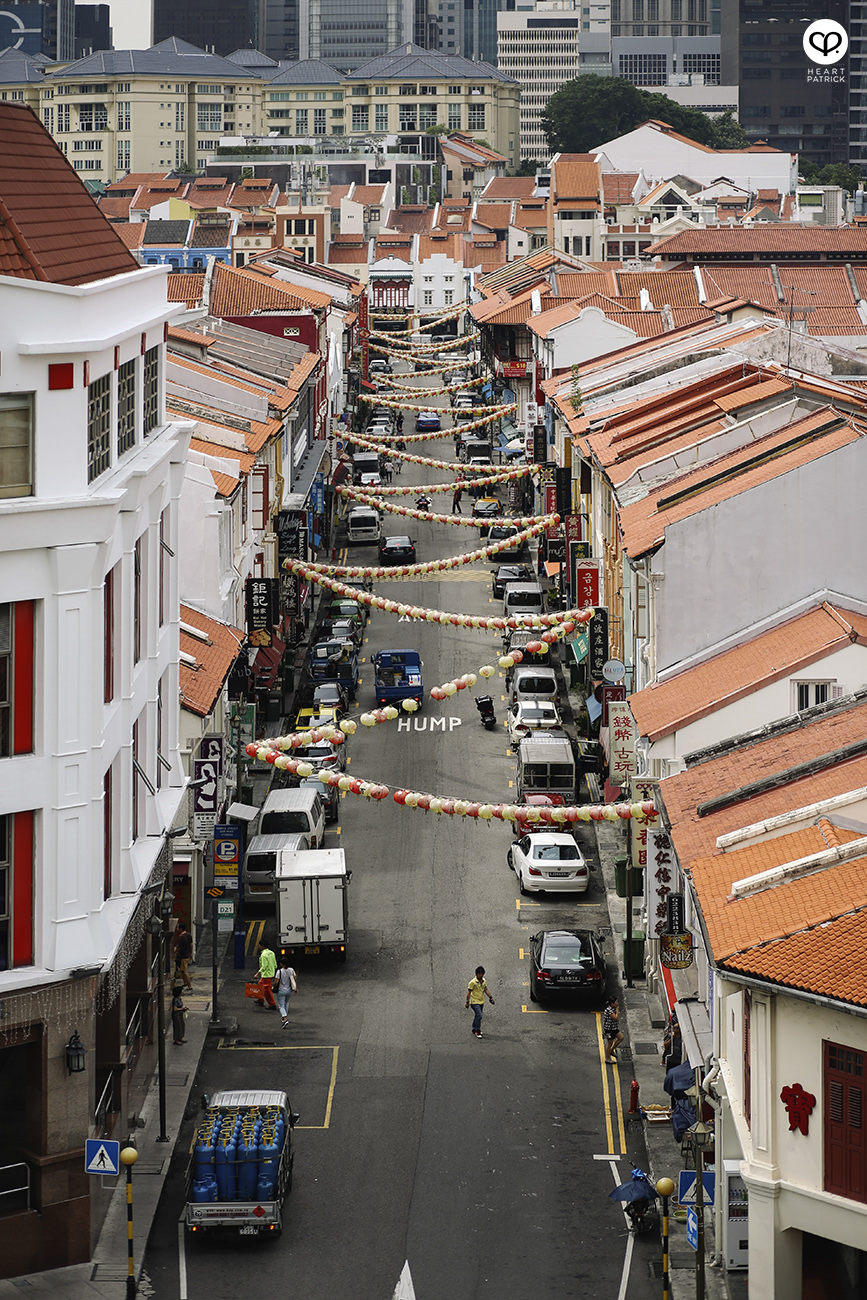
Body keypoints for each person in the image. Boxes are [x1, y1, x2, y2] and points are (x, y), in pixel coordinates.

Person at [465, 966, 495, 1038]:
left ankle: (474, 1028)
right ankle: (477, 1030)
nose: (481, 975)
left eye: (482, 974)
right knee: (479, 1015)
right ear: (477, 974)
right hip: (474, 1002)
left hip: (481, 1001)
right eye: (480, 974)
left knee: (477, 1015)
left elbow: (485, 989)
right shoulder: (472, 982)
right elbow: (469, 992)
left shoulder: (484, 981)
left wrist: (490, 997)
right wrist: (467, 1002)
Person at [274, 958, 297, 1028]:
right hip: (289, 990)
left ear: (281, 964)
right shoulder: (291, 970)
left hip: (281, 990)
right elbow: (294, 978)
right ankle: (285, 1016)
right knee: (286, 1003)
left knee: (281, 1005)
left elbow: (276, 982)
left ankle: (284, 1018)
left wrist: (274, 987)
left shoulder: (279, 972)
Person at [256, 941, 278, 1009]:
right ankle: (260, 999)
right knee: (260, 984)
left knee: (267, 991)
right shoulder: (272, 953)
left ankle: (272, 1004)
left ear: (262, 946)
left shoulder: (263, 955)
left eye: (259, 945)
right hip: (271, 973)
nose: (259, 947)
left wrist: (257, 974)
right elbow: (275, 964)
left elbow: (264, 966)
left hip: (266, 975)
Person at [603, 996, 624, 1063]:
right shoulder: (609, 1010)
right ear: (612, 1003)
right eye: (616, 1002)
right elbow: (615, 1018)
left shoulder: (613, 1008)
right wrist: (617, 1010)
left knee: (621, 1037)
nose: (617, 1003)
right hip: (609, 1029)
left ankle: (611, 1050)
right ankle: (607, 1058)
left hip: (614, 1028)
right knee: (609, 1043)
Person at [173, 921, 193, 990]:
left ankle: (189, 985)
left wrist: (173, 952)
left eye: (178, 927)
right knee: (182, 970)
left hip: (182, 955)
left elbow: (178, 947)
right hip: (187, 954)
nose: (177, 929)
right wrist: (191, 953)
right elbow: (191, 944)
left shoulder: (181, 937)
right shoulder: (189, 935)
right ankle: (185, 982)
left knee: (184, 971)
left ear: (181, 928)